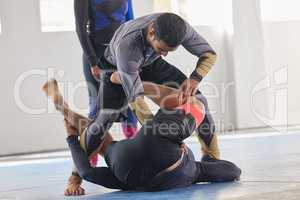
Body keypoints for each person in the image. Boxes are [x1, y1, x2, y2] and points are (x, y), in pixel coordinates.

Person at [43, 79, 241, 194]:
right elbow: (87, 172)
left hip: (159, 143)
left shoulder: (194, 170)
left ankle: (135, 86)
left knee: (197, 105)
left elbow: (232, 171)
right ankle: (132, 89)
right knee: (104, 143)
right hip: (130, 167)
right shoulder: (193, 172)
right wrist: (70, 137)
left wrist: (208, 161)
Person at [85, 12, 220, 165]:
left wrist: (195, 78)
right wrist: (167, 138)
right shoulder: (127, 46)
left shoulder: (179, 27)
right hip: (116, 66)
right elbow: (137, 102)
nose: (165, 54)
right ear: (151, 33)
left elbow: (209, 54)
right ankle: (76, 175)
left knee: (199, 99)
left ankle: (212, 158)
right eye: (162, 48)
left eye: (169, 50)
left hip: (150, 61)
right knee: (104, 120)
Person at [74, 0, 137, 137]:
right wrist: (92, 61)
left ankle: (134, 149)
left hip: (121, 54)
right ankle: (90, 155)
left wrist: (137, 54)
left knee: (130, 103)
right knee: (97, 106)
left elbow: (131, 23)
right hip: (96, 55)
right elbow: (80, 28)